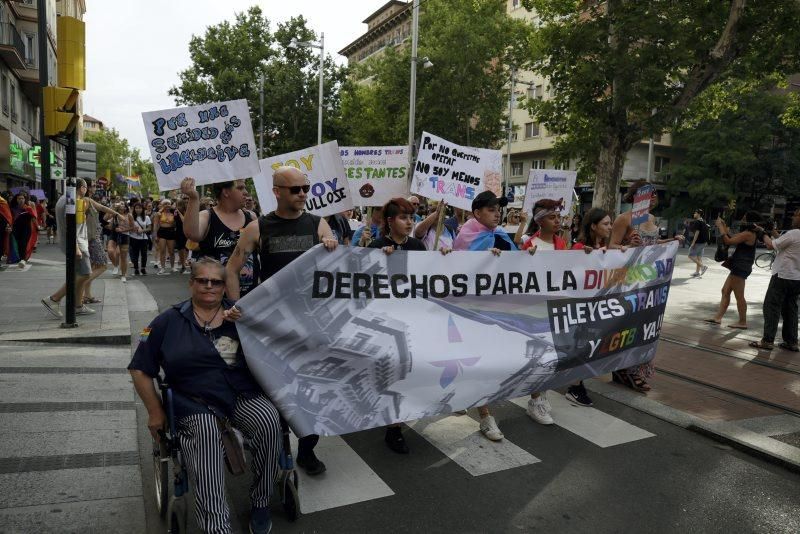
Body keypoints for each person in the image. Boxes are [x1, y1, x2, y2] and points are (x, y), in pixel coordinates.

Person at [128, 257, 280, 534]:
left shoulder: (239, 316)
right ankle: (216, 525)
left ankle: (261, 501)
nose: (209, 286)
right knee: (207, 433)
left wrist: (249, 323)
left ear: (225, 286)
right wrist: (154, 411)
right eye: (203, 280)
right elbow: (139, 368)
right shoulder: (167, 321)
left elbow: (278, 342)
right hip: (193, 401)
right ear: (191, 283)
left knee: (269, 419)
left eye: (216, 281)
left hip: (238, 394)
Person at [224, 165, 339, 476]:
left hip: (313, 324)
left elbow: (338, 271)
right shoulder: (257, 228)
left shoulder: (319, 224)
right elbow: (232, 270)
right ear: (277, 192)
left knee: (312, 387)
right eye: (295, 189)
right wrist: (237, 308)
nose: (303, 194)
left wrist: (332, 248)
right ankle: (280, 444)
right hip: (272, 326)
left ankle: (307, 449)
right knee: (278, 387)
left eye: (306, 188)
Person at [452, 190, 516, 441]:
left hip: (496, 309)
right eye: (491, 209)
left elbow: (518, 262)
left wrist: (527, 256)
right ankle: (486, 417)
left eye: (498, 209)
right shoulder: (466, 237)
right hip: (468, 310)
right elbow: (456, 270)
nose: (497, 213)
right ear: (477, 213)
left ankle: (461, 394)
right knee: (477, 361)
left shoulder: (499, 235)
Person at [368, 197, 430, 454]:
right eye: (404, 218)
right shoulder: (377, 246)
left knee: (407, 371)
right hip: (386, 321)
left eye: (411, 217)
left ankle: (397, 421)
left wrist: (446, 258)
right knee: (392, 371)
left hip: (412, 318)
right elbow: (365, 284)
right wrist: (379, 261)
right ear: (390, 221)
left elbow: (430, 276)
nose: (409, 222)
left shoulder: (417, 245)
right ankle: (393, 429)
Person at [520, 199, 577, 418]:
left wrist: (586, 254)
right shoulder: (529, 245)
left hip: (556, 308)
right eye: (552, 217)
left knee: (551, 355)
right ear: (539, 221)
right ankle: (536, 400)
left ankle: (541, 394)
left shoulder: (562, 244)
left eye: (558, 217)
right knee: (537, 355)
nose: (557, 221)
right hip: (534, 309)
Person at [42, 179, 121, 318]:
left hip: (77, 242)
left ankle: (78, 305)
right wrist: (77, 247)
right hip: (77, 243)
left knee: (80, 273)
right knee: (83, 274)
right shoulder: (71, 201)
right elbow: (71, 227)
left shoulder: (67, 199)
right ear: (82, 188)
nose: (88, 190)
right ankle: (54, 299)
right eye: (87, 187)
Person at [182, 178, 259, 295]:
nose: (246, 192)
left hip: (249, 296)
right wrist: (193, 198)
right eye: (240, 188)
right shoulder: (207, 216)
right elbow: (192, 233)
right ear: (226, 192)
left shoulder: (251, 217)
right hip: (215, 297)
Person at [751, 209, 800, 351]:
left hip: (782, 275)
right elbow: (782, 243)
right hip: (797, 278)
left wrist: (762, 233)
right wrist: (772, 232)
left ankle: (767, 340)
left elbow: (770, 245)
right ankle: (791, 341)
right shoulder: (794, 236)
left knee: (771, 307)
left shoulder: (793, 233)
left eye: (796, 215)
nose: (793, 217)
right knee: (791, 309)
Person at [704, 211, 760, 330]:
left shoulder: (748, 233)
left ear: (750, 221)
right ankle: (718, 318)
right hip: (738, 265)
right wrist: (723, 226)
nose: (742, 221)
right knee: (725, 291)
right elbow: (732, 236)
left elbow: (728, 241)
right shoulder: (747, 233)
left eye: (745, 218)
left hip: (741, 266)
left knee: (739, 296)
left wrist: (720, 227)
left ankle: (742, 322)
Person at [82, 183, 109, 304]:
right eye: (92, 185)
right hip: (91, 238)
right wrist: (118, 214)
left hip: (89, 237)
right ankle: (82, 283)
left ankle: (87, 296)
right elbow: (102, 208)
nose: (94, 187)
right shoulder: (86, 200)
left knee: (92, 267)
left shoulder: (87, 200)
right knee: (103, 265)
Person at [9, 191, 37, 268]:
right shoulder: (13, 209)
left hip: (26, 229)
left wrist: (37, 227)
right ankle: (19, 258)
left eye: (22, 198)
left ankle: (23, 259)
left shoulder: (28, 208)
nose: (21, 200)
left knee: (23, 243)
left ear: (25, 200)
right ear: (16, 200)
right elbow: (10, 219)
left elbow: (34, 218)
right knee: (18, 243)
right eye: (19, 199)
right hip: (16, 229)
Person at [154, 199, 177, 275]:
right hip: (162, 232)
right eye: (165, 204)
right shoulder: (159, 214)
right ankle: (163, 268)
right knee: (162, 250)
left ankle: (173, 267)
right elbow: (156, 225)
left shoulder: (173, 213)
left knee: (171, 251)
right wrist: (155, 235)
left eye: (168, 204)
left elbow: (176, 223)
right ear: (162, 205)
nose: (167, 205)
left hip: (171, 231)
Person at [113, 202, 134, 283]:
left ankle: (123, 275)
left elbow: (132, 227)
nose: (122, 207)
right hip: (115, 236)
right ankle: (116, 267)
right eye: (120, 206)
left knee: (123, 256)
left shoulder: (129, 215)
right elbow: (106, 219)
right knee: (115, 252)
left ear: (126, 207)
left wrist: (123, 230)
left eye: (123, 206)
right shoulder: (115, 215)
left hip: (125, 236)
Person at [129, 202, 151, 276]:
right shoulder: (131, 217)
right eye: (136, 208)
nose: (138, 210)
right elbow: (129, 227)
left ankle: (143, 268)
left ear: (142, 209)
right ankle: (136, 269)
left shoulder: (146, 217)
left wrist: (142, 230)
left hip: (143, 238)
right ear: (134, 209)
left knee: (144, 254)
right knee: (135, 254)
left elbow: (149, 228)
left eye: (140, 208)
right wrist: (134, 229)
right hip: (133, 237)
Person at [687, 209, 708, 277]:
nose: (694, 214)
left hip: (698, 242)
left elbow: (697, 233)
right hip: (703, 242)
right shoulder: (703, 221)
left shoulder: (697, 222)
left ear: (698, 214)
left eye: (695, 213)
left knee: (690, 255)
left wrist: (693, 243)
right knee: (699, 257)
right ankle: (697, 272)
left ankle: (703, 267)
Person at [174, 198, 190, 273]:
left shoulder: (187, 212)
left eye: (179, 205)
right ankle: (183, 264)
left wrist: (180, 213)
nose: (178, 207)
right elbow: (175, 221)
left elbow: (184, 221)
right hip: (179, 232)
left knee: (186, 248)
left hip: (186, 231)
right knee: (180, 248)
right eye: (177, 205)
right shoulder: (176, 212)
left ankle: (184, 262)